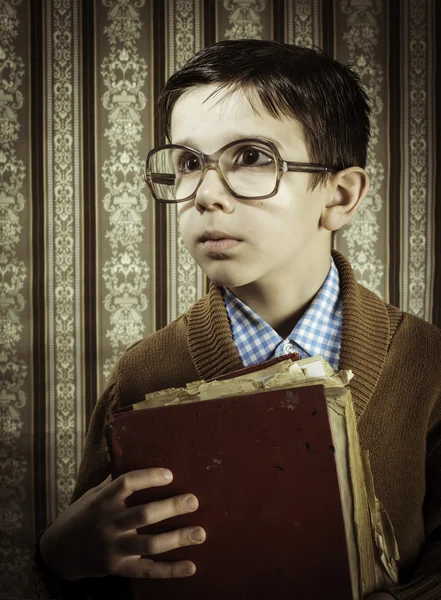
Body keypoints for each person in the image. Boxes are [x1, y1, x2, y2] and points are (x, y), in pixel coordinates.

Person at [34, 40, 441, 600]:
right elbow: (105, 566)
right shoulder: (145, 372)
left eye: (251, 157)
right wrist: (60, 559)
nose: (204, 194)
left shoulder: (426, 358)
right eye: (188, 163)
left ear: (339, 196)